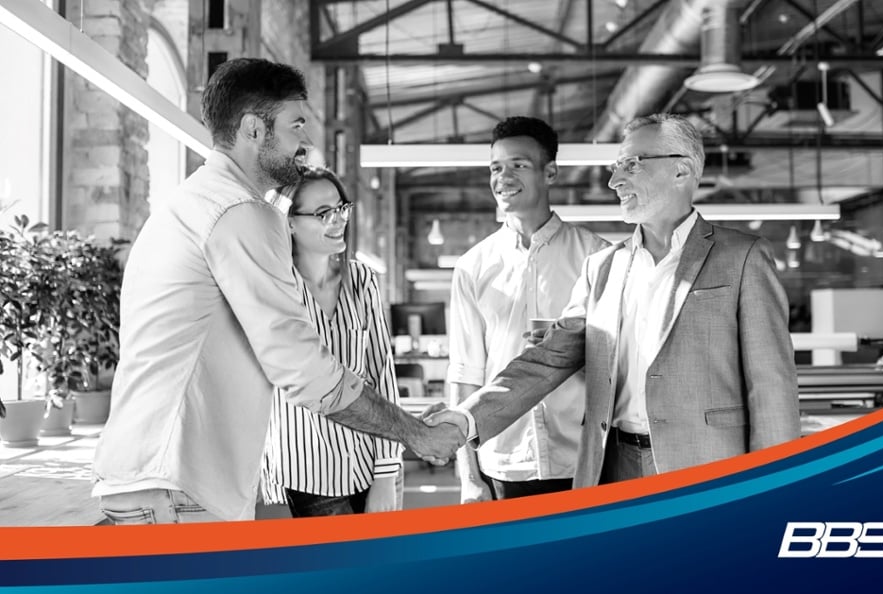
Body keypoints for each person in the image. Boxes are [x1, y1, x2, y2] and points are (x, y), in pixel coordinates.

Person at [92, 58, 462, 523]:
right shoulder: (242, 213)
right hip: (180, 488)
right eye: (295, 126)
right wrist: (417, 434)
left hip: (149, 479)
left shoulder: (185, 205)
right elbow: (300, 366)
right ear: (253, 129)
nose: (304, 143)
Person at [429, 113, 800, 487]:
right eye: (616, 166)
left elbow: (772, 390)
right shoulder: (602, 267)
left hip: (706, 467)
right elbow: (547, 361)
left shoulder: (741, 258)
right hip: (613, 468)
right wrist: (466, 418)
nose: (614, 180)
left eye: (631, 165)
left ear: (682, 171)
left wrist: (770, 490)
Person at [448, 116, 608, 502]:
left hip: (582, 462)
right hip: (503, 463)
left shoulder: (598, 257)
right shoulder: (472, 266)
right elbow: (465, 375)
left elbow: (622, 366)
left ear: (550, 172)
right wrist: (469, 476)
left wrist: (576, 350)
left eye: (518, 165)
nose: (503, 177)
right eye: (495, 167)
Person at [260, 168, 402, 516]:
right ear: (289, 221)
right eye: (323, 213)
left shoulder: (362, 279)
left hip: (368, 465)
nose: (338, 220)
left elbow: (382, 374)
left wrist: (387, 472)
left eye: (341, 208)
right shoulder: (275, 286)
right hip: (307, 474)